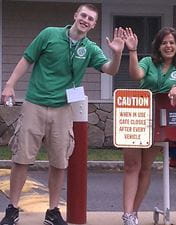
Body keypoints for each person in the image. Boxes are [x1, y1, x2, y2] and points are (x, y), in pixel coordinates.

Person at [0, 4, 124, 225]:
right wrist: (9, 85)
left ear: (94, 24)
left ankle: (53, 211)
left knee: (59, 162)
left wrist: (118, 54)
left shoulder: (91, 48)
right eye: (83, 15)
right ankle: (12, 209)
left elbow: (110, 70)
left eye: (91, 19)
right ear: (76, 16)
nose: (86, 20)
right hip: (34, 104)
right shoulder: (49, 34)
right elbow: (27, 59)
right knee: (21, 158)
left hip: (63, 109)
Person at [121, 27, 176, 225]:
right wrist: (132, 51)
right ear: (158, 46)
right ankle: (127, 214)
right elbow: (136, 75)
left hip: (160, 121)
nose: (168, 46)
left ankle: (134, 212)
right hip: (137, 116)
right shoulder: (147, 62)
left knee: (145, 168)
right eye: (164, 42)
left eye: (172, 42)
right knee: (131, 165)